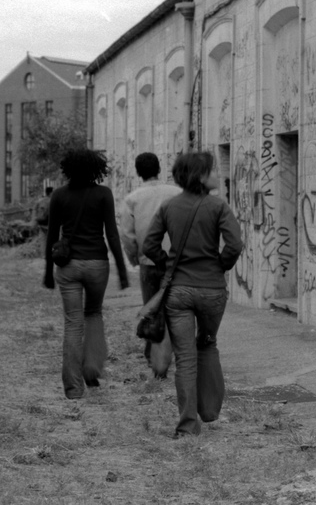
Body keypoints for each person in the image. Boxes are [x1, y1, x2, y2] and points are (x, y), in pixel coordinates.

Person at [141, 151, 242, 437]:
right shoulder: (218, 206)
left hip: (179, 292)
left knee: (185, 358)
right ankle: (209, 411)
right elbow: (235, 245)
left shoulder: (169, 207)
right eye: (212, 170)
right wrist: (219, 265)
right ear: (199, 175)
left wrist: (166, 262)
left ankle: (187, 425)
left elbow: (149, 245)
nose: (217, 174)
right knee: (207, 344)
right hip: (211, 290)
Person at [43, 148, 129, 399]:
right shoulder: (103, 194)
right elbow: (112, 233)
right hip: (96, 264)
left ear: (67, 169)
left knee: (72, 324)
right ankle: (92, 368)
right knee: (93, 313)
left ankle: (72, 388)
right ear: (95, 169)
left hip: (68, 267)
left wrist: (48, 272)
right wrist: (122, 270)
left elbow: (51, 235)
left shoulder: (58, 195)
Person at [118, 152, 180, 363]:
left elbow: (127, 235)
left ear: (137, 172)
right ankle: (180, 352)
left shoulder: (132, 199)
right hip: (176, 261)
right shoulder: (177, 193)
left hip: (149, 261)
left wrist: (135, 258)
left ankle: (154, 355)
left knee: (151, 308)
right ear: (159, 169)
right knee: (176, 308)